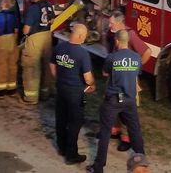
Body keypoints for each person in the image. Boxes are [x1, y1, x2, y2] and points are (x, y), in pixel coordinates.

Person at [86, 30, 145, 173]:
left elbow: (105, 73)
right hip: (130, 100)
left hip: (113, 100)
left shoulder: (112, 57)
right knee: (135, 131)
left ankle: (98, 167)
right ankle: (142, 164)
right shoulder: (136, 57)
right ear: (128, 41)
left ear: (117, 41)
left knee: (105, 132)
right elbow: (137, 73)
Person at [106, 11, 152, 150]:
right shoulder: (114, 34)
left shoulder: (130, 35)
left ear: (120, 23)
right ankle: (115, 130)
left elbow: (147, 52)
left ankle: (126, 138)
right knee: (112, 103)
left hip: (127, 80)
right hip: (115, 77)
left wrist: (135, 70)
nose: (109, 25)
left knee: (127, 108)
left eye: (112, 23)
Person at [51, 23, 96, 165]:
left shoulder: (59, 47)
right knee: (74, 123)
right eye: (85, 35)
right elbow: (88, 77)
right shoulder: (82, 54)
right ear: (81, 36)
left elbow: (52, 64)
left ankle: (61, 147)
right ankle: (71, 155)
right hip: (75, 93)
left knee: (61, 118)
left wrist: (58, 78)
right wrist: (91, 85)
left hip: (61, 89)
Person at [20, 0, 54, 104]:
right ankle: (45, 92)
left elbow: (26, 29)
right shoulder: (48, 5)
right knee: (46, 66)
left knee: (31, 67)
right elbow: (52, 20)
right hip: (47, 36)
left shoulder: (33, 9)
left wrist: (24, 35)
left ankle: (31, 97)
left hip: (35, 38)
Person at [0, 0, 21, 96]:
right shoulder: (14, 16)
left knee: (0, 65)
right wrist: (14, 43)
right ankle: (12, 87)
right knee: (12, 65)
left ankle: (0, 89)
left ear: (3, 3)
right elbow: (16, 31)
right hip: (12, 40)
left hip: (1, 41)